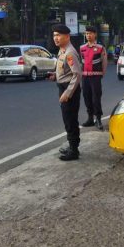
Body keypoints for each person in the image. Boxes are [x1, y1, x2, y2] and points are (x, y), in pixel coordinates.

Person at [48, 24, 82, 161]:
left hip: (70, 90)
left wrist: (67, 93)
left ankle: (74, 151)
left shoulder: (70, 52)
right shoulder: (62, 51)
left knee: (70, 120)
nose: (55, 38)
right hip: (63, 86)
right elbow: (65, 71)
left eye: (58, 35)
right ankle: (72, 146)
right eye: (54, 35)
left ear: (67, 36)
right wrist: (55, 76)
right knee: (67, 119)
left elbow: (77, 74)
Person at [80, 26, 107, 130]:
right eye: (87, 33)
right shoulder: (82, 48)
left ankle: (98, 119)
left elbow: (104, 62)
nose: (88, 35)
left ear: (95, 34)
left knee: (96, 98)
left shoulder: (100, 48)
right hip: (85, 76)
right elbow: (80, 62)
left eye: (90, 33)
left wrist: (102, 74)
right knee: (87, 97)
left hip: (95, 76)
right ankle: (90, 118)